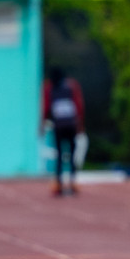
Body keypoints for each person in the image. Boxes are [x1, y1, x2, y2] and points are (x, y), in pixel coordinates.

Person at [43, 68, 87, 196]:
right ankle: (73, 182)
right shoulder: (72, 86)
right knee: (72, 154)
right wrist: (80, 125)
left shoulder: (49, 87)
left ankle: (58, 183)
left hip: (58, 126)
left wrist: (43, 123)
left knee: (59, 155)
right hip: (71, 125)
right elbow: (79, 105)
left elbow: (46, 107)